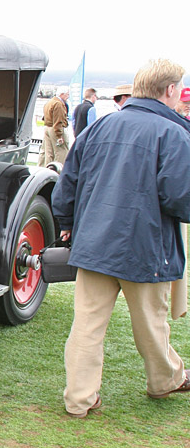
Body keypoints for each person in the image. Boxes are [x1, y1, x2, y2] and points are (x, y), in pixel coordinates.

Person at [53, 59, 190, 418]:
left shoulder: (101, 127)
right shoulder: (173, 134)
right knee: (150, 323)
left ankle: (79, 399)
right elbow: (180, 198)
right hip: (144, 247)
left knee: (87, 324)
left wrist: (66, 220)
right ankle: (164, 380)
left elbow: (68, 181)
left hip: (95, 243)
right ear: (171, 90)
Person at [37, 89, 69, 166]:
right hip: (55, 129)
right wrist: (59, 135)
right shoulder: (58, 104)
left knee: (48, 152)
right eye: (67, 94)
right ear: (62, 94)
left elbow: (45, 117)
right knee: (61, 152)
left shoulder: (49, 102)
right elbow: (58, 121)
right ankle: (58, 171)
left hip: (47, 127)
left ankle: (46, 169)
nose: (68, 96)